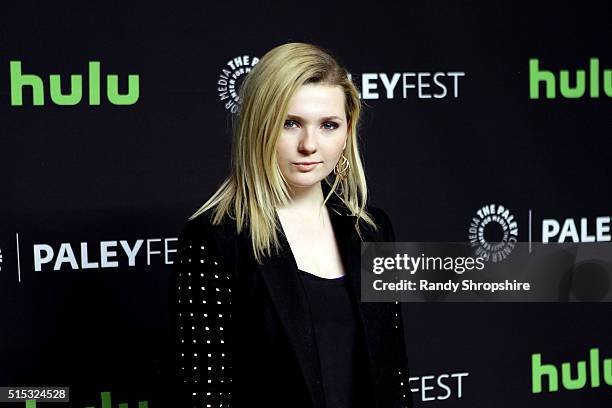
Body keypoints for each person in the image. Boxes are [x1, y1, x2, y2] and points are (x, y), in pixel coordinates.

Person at [170, 42, 412, 408]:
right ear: (259, 127)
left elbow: (394, 376)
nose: (309, 145)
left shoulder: (373, 229)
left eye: (328, 125)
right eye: (291, 123)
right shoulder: (215, 239)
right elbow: (206, 394)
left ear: (347, 132)